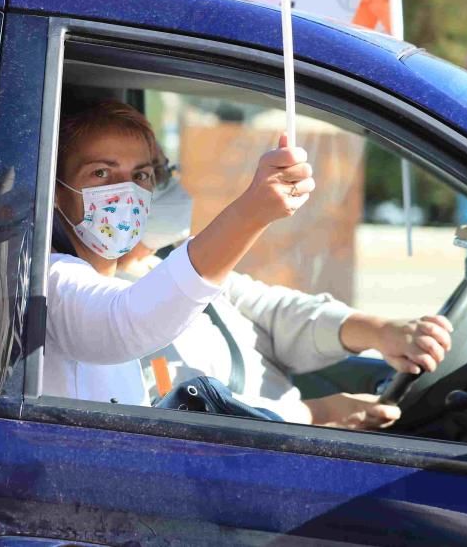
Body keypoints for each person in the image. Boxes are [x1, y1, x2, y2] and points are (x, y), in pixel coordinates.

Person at [116, 168, 453, 430]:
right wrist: (318, 414)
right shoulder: (110, 307)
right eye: (107, 173)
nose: (165, 184)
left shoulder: (171, 262)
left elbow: (274, 314)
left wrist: (380, 332)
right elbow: (181, 404)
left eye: (153, 171)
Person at [45, 100, 314, 406]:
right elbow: (125, 322)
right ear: (56, 191)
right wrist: (251, 212)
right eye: (102, 173)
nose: (126, 190)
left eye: (141, 176)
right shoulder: (48, 282)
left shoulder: (118, 280)